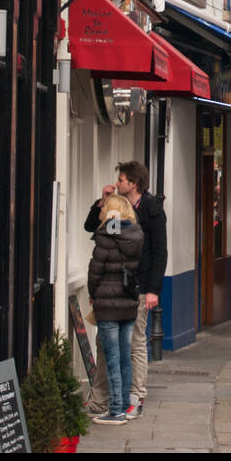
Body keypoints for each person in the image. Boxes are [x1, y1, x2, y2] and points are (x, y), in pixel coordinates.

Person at [85, 160, 166, 418]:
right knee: (104, 342)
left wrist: (153, 289)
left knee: (135, 343)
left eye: (121, 180)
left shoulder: (152, 210)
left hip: (137, 287)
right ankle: (101, 399)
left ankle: (136, 397)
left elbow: (160, 252)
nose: (117, 183)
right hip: (112, 288)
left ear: (133, 183)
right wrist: (102, 202)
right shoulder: (116, 209)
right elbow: (93, 228)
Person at [87, 193, 144, 424]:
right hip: (128, 303)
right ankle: (126, 405)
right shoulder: (136, 236)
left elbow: (95, 270)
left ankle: (116, 410)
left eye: (105, 209)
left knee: (112, 357)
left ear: (110, 212)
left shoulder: (105, 236)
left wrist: (92, 294)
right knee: (125, 358)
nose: (101, 212)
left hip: (108, 304)